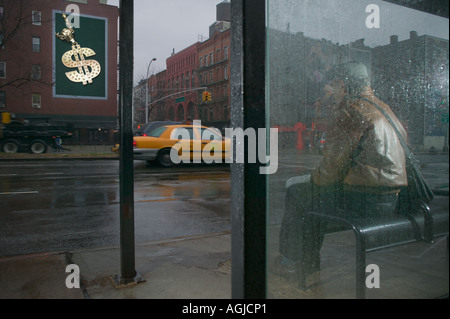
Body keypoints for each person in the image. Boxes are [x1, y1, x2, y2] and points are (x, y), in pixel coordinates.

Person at [275, 61, 408, 280]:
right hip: (390, 200)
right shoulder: (384, 108)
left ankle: (290, 262)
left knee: (297, 191)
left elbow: (330, 171)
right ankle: (307, 262)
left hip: (365, 202)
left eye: (334, 86)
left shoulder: (350, 111)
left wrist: (312, 180)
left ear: (343, 85)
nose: (333, 92)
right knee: (310, 195)